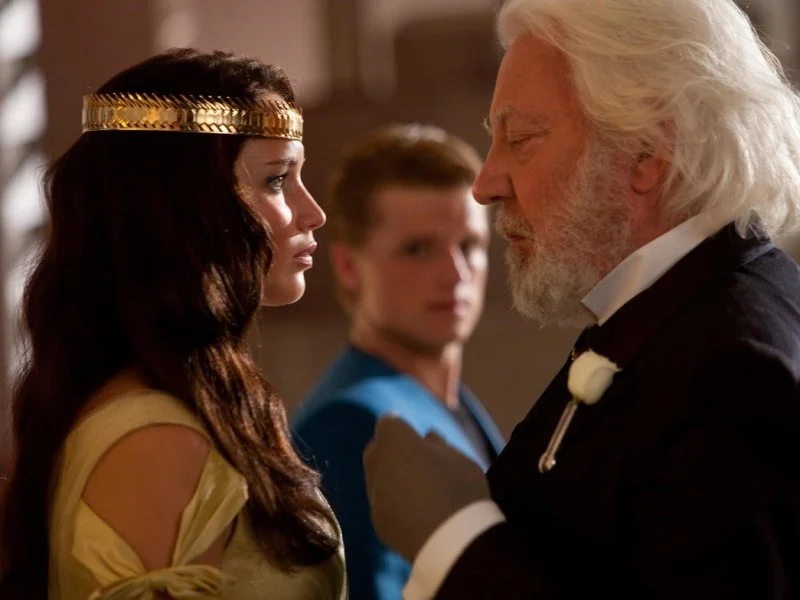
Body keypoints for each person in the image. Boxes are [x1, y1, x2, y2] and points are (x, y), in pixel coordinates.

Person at [363, 0, 800, 597]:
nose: (485, 184)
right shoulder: (684, 308)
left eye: (521, 139)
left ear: (648, 150)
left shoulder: (729, 370)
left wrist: (454, 536)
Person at [0, 49, 347, 600]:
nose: (313, 213)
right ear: (187, 206)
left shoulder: (188, 411)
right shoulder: (155, 441)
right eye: (278, 180)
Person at [292, 124, 505, 600]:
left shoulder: (453, 405)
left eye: (469, 246)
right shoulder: (350, 424)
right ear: (349, 266)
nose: (455, 273)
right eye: (418, 249)